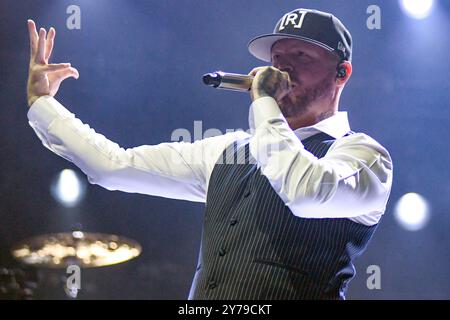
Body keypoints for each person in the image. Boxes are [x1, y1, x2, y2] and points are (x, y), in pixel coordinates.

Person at [26, 8, 393, 299]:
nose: (282, 68)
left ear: (341, 72)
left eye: (301, 56)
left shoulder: (364, 157)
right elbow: (114, 166)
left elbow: (304, 192)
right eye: (277, 58)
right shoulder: (229, 151)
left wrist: (264, 101)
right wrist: (42, 104)